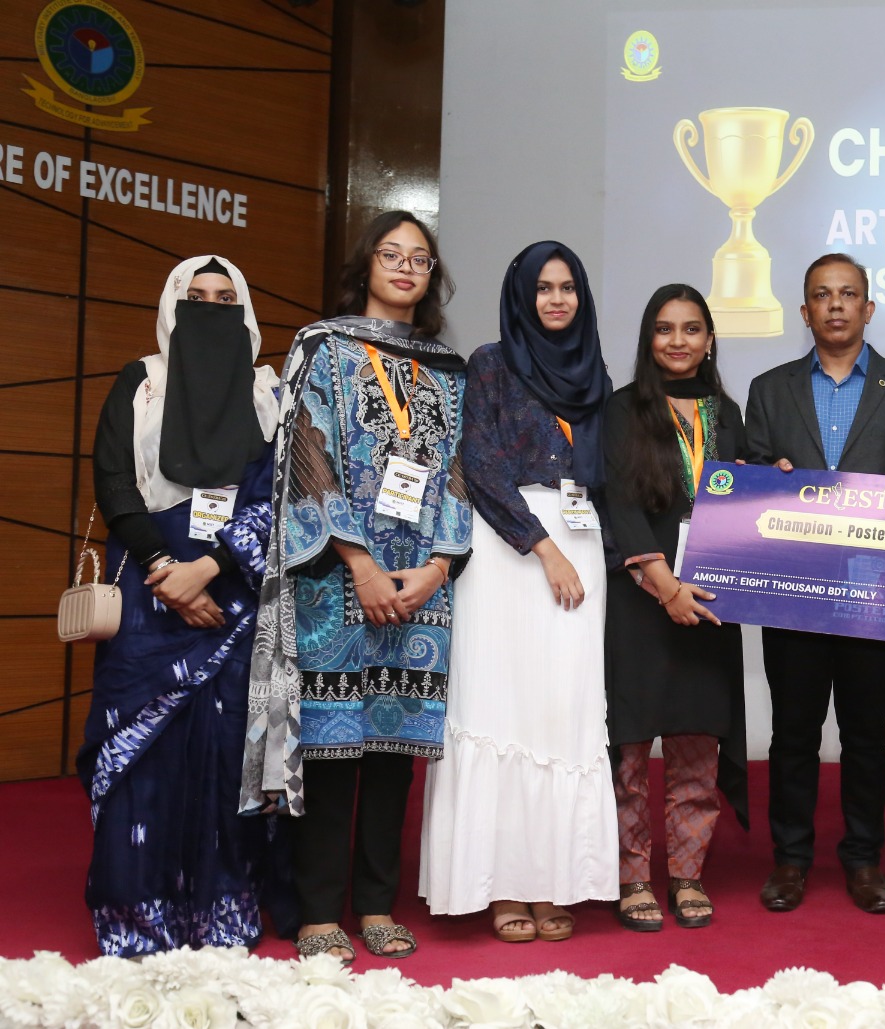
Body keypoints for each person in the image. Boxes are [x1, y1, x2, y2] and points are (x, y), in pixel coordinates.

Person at [242, 211, 471, 964]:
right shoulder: (323, 345)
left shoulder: (449, 368)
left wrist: (438, 567)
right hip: (336, 581)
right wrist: (361, 564)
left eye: (420, 259)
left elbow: (461, 470)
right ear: (365, 264)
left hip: (422, 587)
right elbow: (305, 457)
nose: (405, 267)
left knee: (394, 750)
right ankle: (318, 912)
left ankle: (376, 903)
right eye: (391, 253)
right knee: (334, 747)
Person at [82, 255, 290, 957]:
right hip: (150, 591)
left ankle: (218, 909)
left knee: (225, 753)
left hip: (234, 592)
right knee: (142, 754)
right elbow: (114, 479)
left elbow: (281, 495)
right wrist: (163, 567)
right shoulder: (141, 382)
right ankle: (138, 917)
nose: (209, 307)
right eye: (195, 296)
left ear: (245, 311)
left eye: (225, 298)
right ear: (172, 306)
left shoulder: (269, 393)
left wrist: (211, 569)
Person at [419, 241, 618, 943]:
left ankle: (552, 880)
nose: (556, 299)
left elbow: (606, 476)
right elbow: (480, 464)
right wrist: (543, 548)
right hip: (511, 551)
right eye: (543, 287)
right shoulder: (490, 364)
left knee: (563, 712)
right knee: (502, 706)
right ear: (521, 295)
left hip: (581, 547)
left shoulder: (595, 376)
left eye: (567, 287)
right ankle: (501, 883)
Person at [744, 253, 885, 915]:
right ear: (804, 312)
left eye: (848, 294)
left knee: (866, 733)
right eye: (822, 295)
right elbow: (750, 487)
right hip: (792, 592)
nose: (835, 305)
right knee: (793, 733)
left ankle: (863, 859)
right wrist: (764, 478)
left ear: (868, 307)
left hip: (874, 593)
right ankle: (790, 860)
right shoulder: (769, 389)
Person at [602, 284, 749, 931]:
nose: (679, 340)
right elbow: (619, 504)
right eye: (665, 328)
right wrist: (665, 586)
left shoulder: (728, 412)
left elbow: (744, 501)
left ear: (710, 339)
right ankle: (632, 876)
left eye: (692, 328)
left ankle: (687, 873)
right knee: (631, 751)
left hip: (710, 603)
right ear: (648, 338)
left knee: (697, 746)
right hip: (640, 603)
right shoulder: (621, 408)